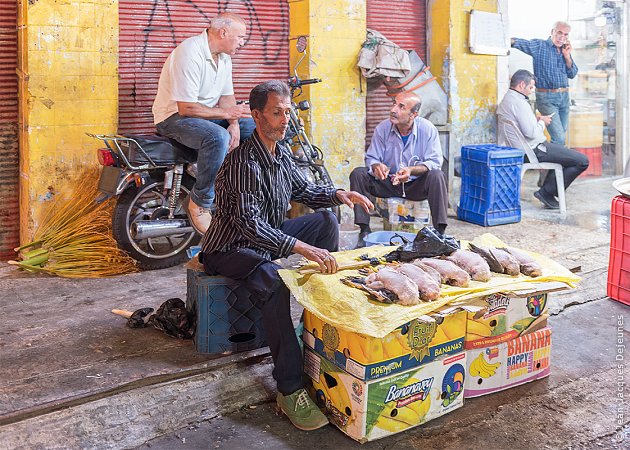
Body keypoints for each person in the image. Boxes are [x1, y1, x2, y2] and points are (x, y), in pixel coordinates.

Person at [200, 80, 373, 431]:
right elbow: (249, 225)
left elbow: (304, 190)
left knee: (325, 222)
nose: (284, 120)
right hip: (229, 248)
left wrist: (340, 195)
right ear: (256, 114)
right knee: (275, 284)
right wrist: (299, 248)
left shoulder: (281, 156)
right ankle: (289, 387)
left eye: (287, 112)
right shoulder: (241, 163)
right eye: (276, 113)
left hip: (264, 241)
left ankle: (322, 314)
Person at [152, 12, 255, 234]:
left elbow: (228, 98)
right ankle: (200, 202)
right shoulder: (190, 52)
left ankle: (238, 191)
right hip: (174, 118)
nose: (242, 42)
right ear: (223, 32)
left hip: (204, 116)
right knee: (217, 137)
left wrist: (234, 123)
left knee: (254, 128)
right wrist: (227, 120)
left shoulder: (224, 58)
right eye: (240, 37)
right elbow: (186, 108)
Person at [349, 91, 448, 247]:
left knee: (437, 175)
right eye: (394, 103)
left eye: (401, 107)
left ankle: (439, 232)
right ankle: (364, 229)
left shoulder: (427, 129)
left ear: (413, 114)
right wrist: (377, 166)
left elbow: (434, 162)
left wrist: (411, 170)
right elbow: (372, 158)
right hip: (388, 183)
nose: (393, 109)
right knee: (358, 174)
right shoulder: (382, 128)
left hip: (415, 185)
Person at [497, 69, 588, 209]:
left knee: (562, 153)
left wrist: (536, 120)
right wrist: (542, 122)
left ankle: (547, 191)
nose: (532, 90)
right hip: (533, 151)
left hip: (522, 149)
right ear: (521, 85)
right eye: (530, 87)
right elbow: (531, 133)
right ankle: (546, 192)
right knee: (582, 161)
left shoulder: (507, 99)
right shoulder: (520, 103)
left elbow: (523, 126)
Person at [511, 21, 578, 146]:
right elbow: (520, 43)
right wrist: (504, 40)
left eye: (566, 35)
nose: (562, 38)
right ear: (552, 32)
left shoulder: (564, 51)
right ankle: (548, 162)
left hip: (564, 97)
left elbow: (572, 73)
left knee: (561, 138)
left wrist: (567, 56)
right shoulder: (540, 46)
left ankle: (554, 164)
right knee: (559, 138)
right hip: (547, 98)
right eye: (559, 33)